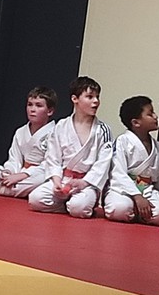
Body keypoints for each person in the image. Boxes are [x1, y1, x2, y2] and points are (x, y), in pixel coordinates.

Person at [28, 76, 112, 218]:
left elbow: (103, 163)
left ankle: (77, 205)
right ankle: (65, 205)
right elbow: (53, 157)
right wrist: (56, 181)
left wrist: (84, 182)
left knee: (79, 208)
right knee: (35, 199)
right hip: (63, 179)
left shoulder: (102, 130)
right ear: (75, 99)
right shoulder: (61, 126)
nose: (96, 101)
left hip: (87, 183)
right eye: (90, 97)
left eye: (97, 97)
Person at [0, 86, 57, 198]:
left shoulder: (55, 134)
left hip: (38, 174)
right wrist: (9, 172)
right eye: (30, 104)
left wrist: (23, 175)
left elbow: (49, 164)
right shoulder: (20, 132)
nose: (32, 109)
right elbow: (15, 158)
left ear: (50, 111)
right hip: (19, 172)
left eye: (38, 105)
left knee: (40, 181)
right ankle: (16, 190)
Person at [103, 95, 159, 226]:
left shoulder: (157, 147)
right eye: (150, 114)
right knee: (119, 209)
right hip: (122, 189)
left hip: (146, 190)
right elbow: (118, 173)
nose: (156, 116)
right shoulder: (123, 141)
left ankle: (137, 212)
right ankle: (135, 209)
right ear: (136, 122)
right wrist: (137, 196)